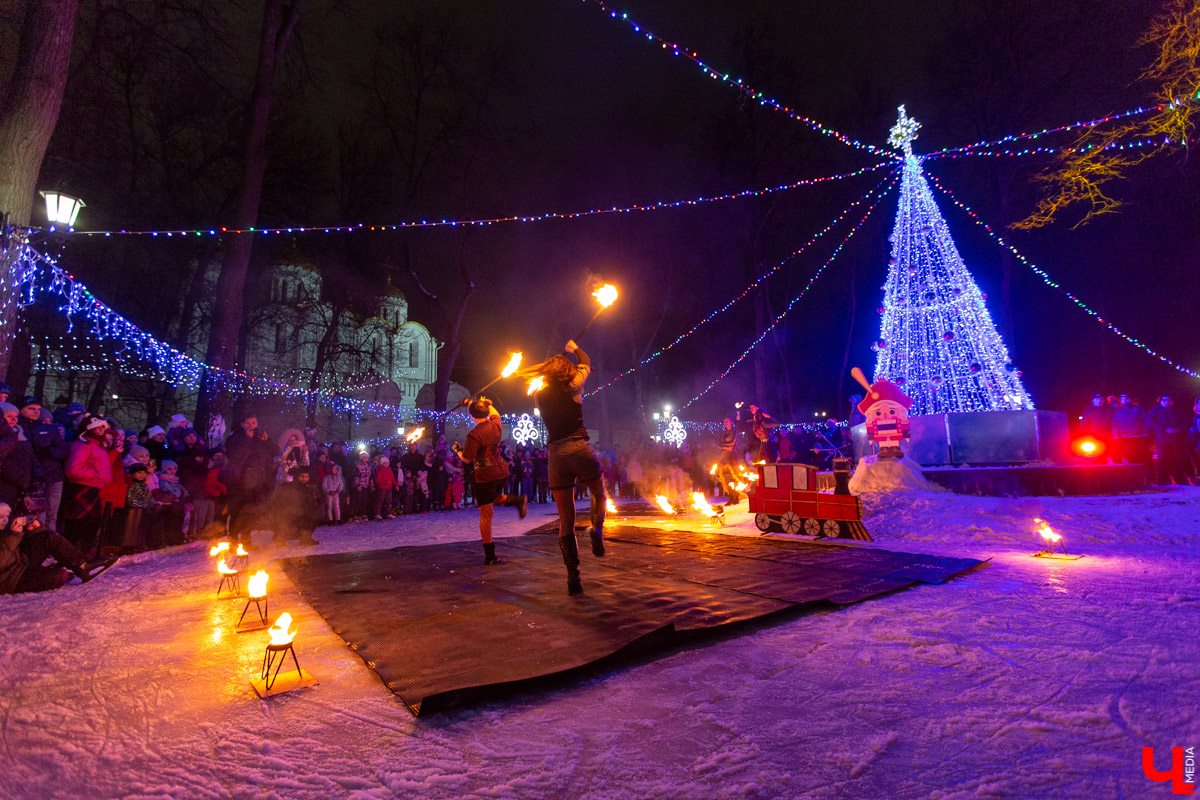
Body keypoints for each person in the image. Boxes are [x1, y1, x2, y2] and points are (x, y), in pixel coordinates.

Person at [530, 341, 607, 595]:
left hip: (557, 454)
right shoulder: (574, 385)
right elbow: (586, 362)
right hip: (579, 447)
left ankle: (573, 576)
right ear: (568, 371)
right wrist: (574, 348)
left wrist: (550, 364)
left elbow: (541, 375)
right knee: (598, 491)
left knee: (566, 518)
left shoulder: (539, 393)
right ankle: (596, 527)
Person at [454, 398, 527, 565]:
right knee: (490, 500)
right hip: (501, 472)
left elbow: (467, 459)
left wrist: (458, 451)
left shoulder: (473, 435)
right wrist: (476, 401)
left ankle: (490, 555)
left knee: (486, 514)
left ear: (472, 417)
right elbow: (495, 413)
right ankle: (515, 500)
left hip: (485, 475)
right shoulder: (496, 425)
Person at [0, 503, 117, 593]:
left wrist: (33, 531)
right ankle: (53, 571)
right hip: (9, 580)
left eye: (7, 516)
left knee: (48, 537)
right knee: (59, 576)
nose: (5, 519)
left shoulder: (5, 528)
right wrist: (13, 535)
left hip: (21, 562)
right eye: (1, 517)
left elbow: (18, 546)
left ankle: (82, 566)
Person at [61, 415, 113, 555]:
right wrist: (96, 475)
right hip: (81, 487)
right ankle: (72, 555)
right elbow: (73, 468)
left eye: (103, 427)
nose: (102, 430)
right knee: (79, 525)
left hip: (94, 489)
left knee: (91, 523)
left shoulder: (99, 446)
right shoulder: (82, 445)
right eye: (98, 427)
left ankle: (82, 555)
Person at [223, 414, 277, 550]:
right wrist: (247, 439)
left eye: (254, 422)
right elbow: (235, 456)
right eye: (248, 423)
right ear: (242, 424)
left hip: (256, 481)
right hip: (239, 482)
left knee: (251, 511)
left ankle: (246, 540)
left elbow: (274, 451)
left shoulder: (259, 438)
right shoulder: (234, 438)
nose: (251, 425)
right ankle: (234, 540)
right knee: (236, 511)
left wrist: (267, 440)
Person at [1147, 395, 1190, 486]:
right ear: (1160, 401)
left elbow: (1186, 421)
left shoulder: (1178, 410)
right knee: (1162, 459)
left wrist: (1179, 429)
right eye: (1164, 400)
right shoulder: (1155, 410)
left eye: (1169, 400)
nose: (1167, 402)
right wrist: (1164, 429)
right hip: (1161, 438)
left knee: (1178, 458)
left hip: (1176, 438)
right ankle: (1162, 479)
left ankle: (1179, 479)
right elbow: (1151, 422)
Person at [715, 416, 743, 503]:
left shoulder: (735, 432)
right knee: (725, 476)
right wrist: (727, 447)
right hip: (724, 456)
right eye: (724, 421)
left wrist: (725, 446)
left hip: (732, 456)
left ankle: (736, 496)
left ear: (731, 422)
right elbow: (719, 445)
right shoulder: (723, 433)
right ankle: (730, 496)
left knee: (733, 475)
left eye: (727, 421)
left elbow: (732, 443)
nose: (725, 422)